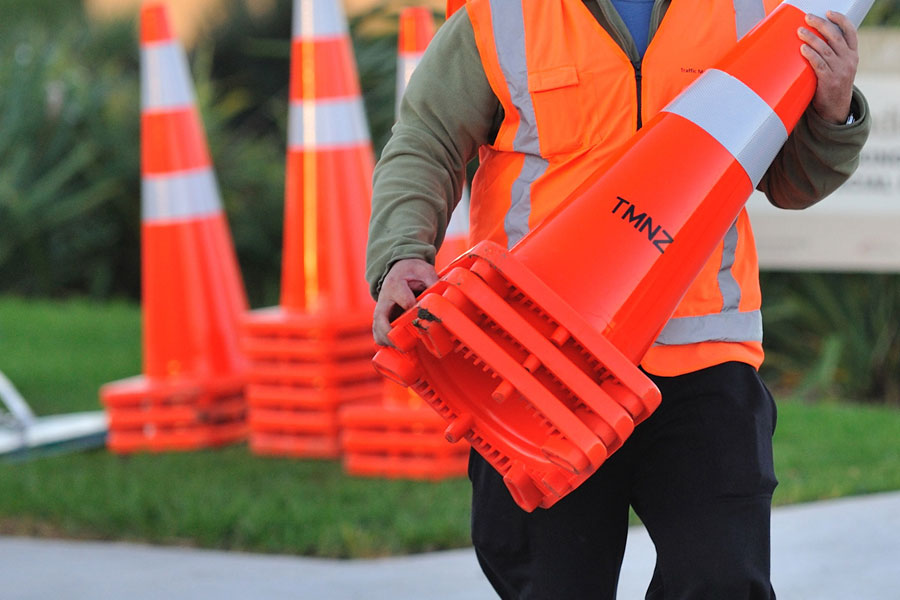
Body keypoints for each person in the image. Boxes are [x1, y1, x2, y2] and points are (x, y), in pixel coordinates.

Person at [366, 0, 870, 597]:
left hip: (699, 360)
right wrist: (402, 254)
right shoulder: (502, 15)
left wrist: (832, 111)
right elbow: (427, 140)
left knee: (722, 581)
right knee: (552, 586)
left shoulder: (748, 11)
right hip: (536, 365)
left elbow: (792, 181)